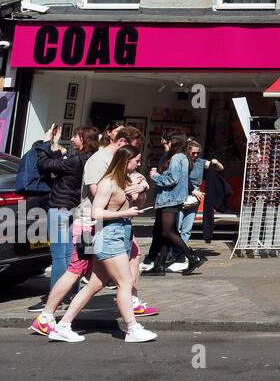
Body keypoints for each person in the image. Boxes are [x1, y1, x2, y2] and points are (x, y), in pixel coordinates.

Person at [51, 146, 157, 343]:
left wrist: (142, 188)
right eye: (137, 160)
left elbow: (137, 203)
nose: (139, 164)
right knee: (125, 283)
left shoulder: (124, 180)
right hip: (109, 236)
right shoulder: (107, 183)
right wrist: (125, 213)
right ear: (126, 161)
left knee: (94, 285)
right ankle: (132, 328)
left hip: (119, 234)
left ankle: (63, 326)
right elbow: (96, 213)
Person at [35, 124, 98, 300]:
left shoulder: (76, 160)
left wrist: (45, 143)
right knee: (73, 255)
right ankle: (72, 293)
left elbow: (44, 164)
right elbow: (59, 166)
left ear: (84, 140)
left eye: (76, 136)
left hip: (60, 208)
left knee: (59, 256)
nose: (72, 139)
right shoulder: (91, 159)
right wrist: (55, 144)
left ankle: (56, 296)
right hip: (77, 210)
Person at [145, 135, 199, 275]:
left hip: (170, 198)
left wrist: (155, 175)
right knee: (165, 232)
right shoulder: (183, 157)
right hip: (173, 198)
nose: (165, 144)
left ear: (172, 143)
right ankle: (160, 264)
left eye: (167, 142)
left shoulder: (176, 158)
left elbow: (172, 179)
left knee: (169, 231)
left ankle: (191, 256)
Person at [180, 139, 223, 247]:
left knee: (187, 228)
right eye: (193, 153)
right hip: (182, 194)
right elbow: (181, 178)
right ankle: (173, 249)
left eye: (197, 153)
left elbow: (220, 169)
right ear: (187, 151)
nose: (195, 155)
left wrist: (216, 162)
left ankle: (180, 250)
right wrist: (193, 190)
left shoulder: (200, 162)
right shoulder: (182, 161)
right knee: (177, 226)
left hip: (195, 196)